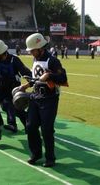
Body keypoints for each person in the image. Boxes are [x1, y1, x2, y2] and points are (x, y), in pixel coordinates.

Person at [18, 33, 68, 167]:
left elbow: (63, 78)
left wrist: (50, 75)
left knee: (46, 129)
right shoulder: (36, 59)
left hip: (49, 98)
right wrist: (26, 85)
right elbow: (36, 79)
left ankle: (50, 158)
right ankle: (36, 153)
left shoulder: (52, 60)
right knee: (30, 126)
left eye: (32, 50)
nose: (31, 53)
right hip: (36, 96)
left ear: (40, 48)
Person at [0, 40, 32, 142]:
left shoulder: (15, 60)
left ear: (2, 53)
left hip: (13, 88)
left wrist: (31, 83)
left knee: (18, 108)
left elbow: (26, 73)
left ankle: (29, 126)